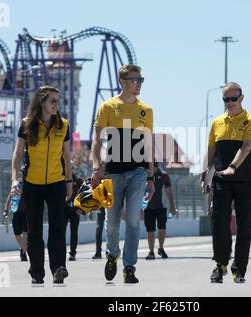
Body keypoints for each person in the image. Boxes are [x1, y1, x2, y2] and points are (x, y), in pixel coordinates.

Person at [91, 64, 155, 284]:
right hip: (112, 173)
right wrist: (96, 167)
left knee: (134, 222)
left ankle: (129, 267)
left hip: (138, 173)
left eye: (141, 80)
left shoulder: (146, 110)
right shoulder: (108, 107)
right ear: (123, 82)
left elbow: (148, 144)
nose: (138, 84)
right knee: (112, 222)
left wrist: (151, 176)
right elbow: (97, 140)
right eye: (134, 80)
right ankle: (111, 254)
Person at [11, 86, 73, 285]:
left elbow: (67, 156)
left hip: (56, 182)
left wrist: (69, 182)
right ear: (42, 102)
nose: (56, 104)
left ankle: (58, 268)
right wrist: (14, 179)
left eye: (58, 101)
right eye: (52, 101)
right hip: (32, 183)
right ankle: (37, 272)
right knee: (34, 230)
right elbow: (18, 153)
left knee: (57, 227)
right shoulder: (27, 124)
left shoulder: (63, 125)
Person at [201, 82, 251, 284]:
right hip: (221, 181)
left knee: (244, 226)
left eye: (233, 98)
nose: (229, 102)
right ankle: (220, 265)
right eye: (226, 99)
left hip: (245, 181)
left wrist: (233, 166)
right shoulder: (217, 122)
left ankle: (239, 269)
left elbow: (245, 147)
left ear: (242, 98)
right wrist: (205, 174)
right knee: (218, 222)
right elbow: (211, 150)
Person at [144, 162, 177, 260]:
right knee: (150, 230)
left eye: (151, 167)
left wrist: (172, 205)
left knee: (162, 228)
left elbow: (169, 191)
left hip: (161, 207)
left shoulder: (164, 175)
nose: (149, 170)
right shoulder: (145, 175)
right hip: (148, 207)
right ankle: (151, 251)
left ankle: (161, 248)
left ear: (155, 166)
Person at [4, 192, 28, 261]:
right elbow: (9, 198)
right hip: (16, 213)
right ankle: (23, 248)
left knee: (25, 233)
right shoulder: (14, 187)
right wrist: (6, 210)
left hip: (26, 213)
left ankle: (23, 254)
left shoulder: (28, 186)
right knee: (16, 235)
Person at [64, 174, 83, 261]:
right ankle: (61, 252)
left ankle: (72, 253)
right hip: (63, 209)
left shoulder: (78, 180)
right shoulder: (60, 178)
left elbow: (84, 194)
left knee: (74, 232)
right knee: (60, 232)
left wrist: (81, 209)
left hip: (75, 210)